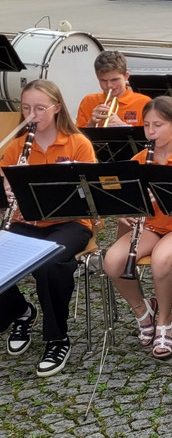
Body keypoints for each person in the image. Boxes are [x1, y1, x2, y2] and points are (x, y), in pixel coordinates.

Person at [0, 80, 96, 377]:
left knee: (50, 262)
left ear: (56, 108)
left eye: (40, 108)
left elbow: (91, 195)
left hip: (70, 223)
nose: (32, 115)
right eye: (26, 108)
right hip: (26, 222)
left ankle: (57, 338)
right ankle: (21, 312)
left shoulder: (77, 143)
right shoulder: (15, 146)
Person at [103, 96, 172, 359]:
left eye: (157, 125)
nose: (150, 132)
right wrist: (124, 214)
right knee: (112, 262)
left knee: (161, 259)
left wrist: (163, 196)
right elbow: (122, 199)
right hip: (150, 226)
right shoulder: (139, 159)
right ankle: (143, 312)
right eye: (146, 125)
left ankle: (165, 321)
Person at [76, 50, 151, 127]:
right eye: (103, 80)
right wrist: (91, 123)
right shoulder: (88, 101)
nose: (109, 85)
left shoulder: (144, 102)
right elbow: (76, 137)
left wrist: (123, 126)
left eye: (114, 80)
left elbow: (148, 136)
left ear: (126, 76)